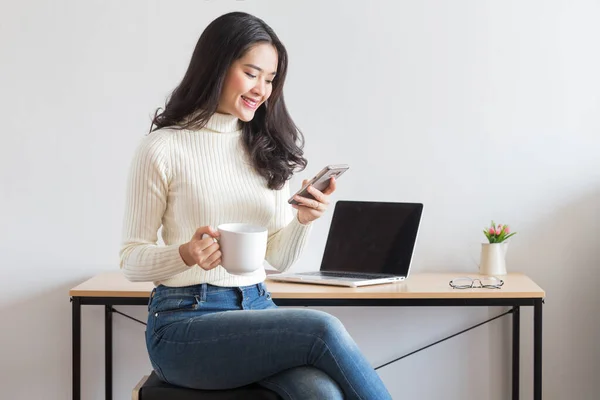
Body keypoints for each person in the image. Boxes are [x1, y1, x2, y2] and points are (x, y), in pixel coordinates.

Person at [119, 11, 392, 400]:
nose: (261, 90)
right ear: (216, 66)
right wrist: (186, 253)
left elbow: (278, 259)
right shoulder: (162, 148)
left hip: (257, 307)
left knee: (321, 393)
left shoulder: (264, 147)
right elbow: (131, 259)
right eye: (251, 73)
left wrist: (303, 220)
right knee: (323, 329)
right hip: (184, 322)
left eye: (270, 79)